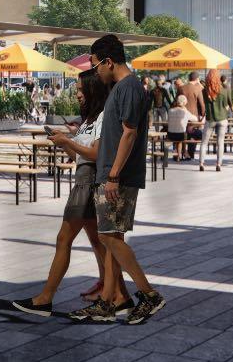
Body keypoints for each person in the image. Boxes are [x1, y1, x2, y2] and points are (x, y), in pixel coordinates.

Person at [70, 35, 164, 326]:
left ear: (109, 61)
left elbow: (129, 133)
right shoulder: (122, 88)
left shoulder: (130, 88)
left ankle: (148, 294)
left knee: (109, 236)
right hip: (111, 175)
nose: (95, 71)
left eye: (96, 64)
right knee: (111, 237)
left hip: (117, 177)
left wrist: (112, 175)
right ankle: (108, 302)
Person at [14, 71, 114, 317]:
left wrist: (68, 142)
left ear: (94, 90)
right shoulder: (90, 118)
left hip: (88, 185)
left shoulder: (103, 117)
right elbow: (80, 156)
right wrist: (66, 142)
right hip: (84, 180)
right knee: (98, 242)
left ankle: (45, 298)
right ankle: (109, 291)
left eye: (81, 89)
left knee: (63, 240)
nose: (77, 93)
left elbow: (97, 155)